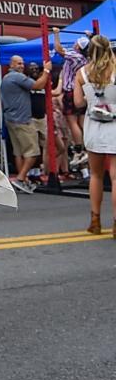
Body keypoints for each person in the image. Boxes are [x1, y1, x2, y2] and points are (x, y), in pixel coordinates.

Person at [73, 33, 116, 235]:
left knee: (96, 175)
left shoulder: (82, 73)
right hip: (114, 125)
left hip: (94, 126)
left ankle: (95, 221)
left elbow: (78, 103)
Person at [1, 53, 50, 192]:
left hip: (11, 119)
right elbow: (37, 85)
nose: (22, 66)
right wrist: (46, 70)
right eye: (18, 63)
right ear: (11, 65)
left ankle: (23, 180)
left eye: (22, 63)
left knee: (19, 152)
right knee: (33, 152)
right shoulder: (17, 77)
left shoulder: (6, 78)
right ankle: (21, 178)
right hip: (22, 120)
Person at [54, 28, 88, 152]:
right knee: (82, 120)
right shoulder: (86, 58)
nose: (74, 44)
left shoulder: (75, 56)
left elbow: (59, 50)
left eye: (76, 43)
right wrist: (90, 36)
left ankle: (79, 146)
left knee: (72, 120)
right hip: (82, 90)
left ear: (78, 47)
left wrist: (56, 34)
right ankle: (87, 144)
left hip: (71, 90)